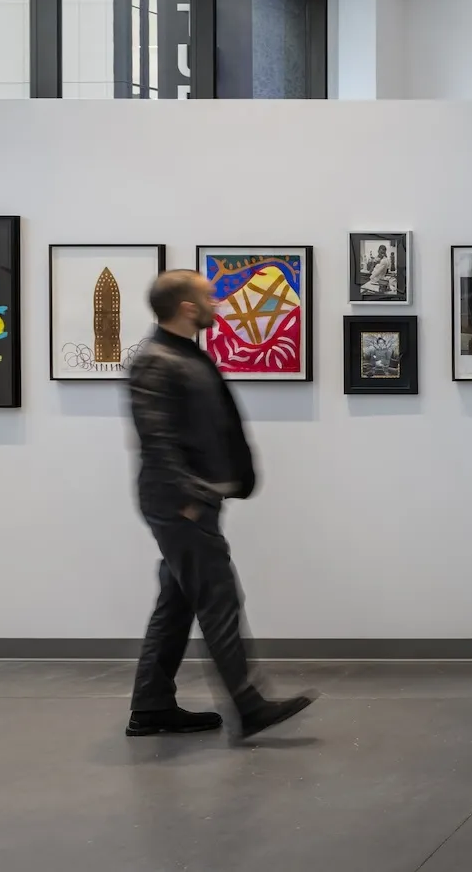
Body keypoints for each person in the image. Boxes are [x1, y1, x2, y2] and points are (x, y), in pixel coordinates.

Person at [126, 269, 314, 741]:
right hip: (180, 505)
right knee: (219, 599)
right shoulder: (156, 361)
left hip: (189, 502)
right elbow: (158, 440)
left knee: (177, 602)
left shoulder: (183, 353)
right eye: (210, 297)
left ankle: (151, 706)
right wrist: (191, 498)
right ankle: (248, 706)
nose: (219, 303)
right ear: (188, 307)